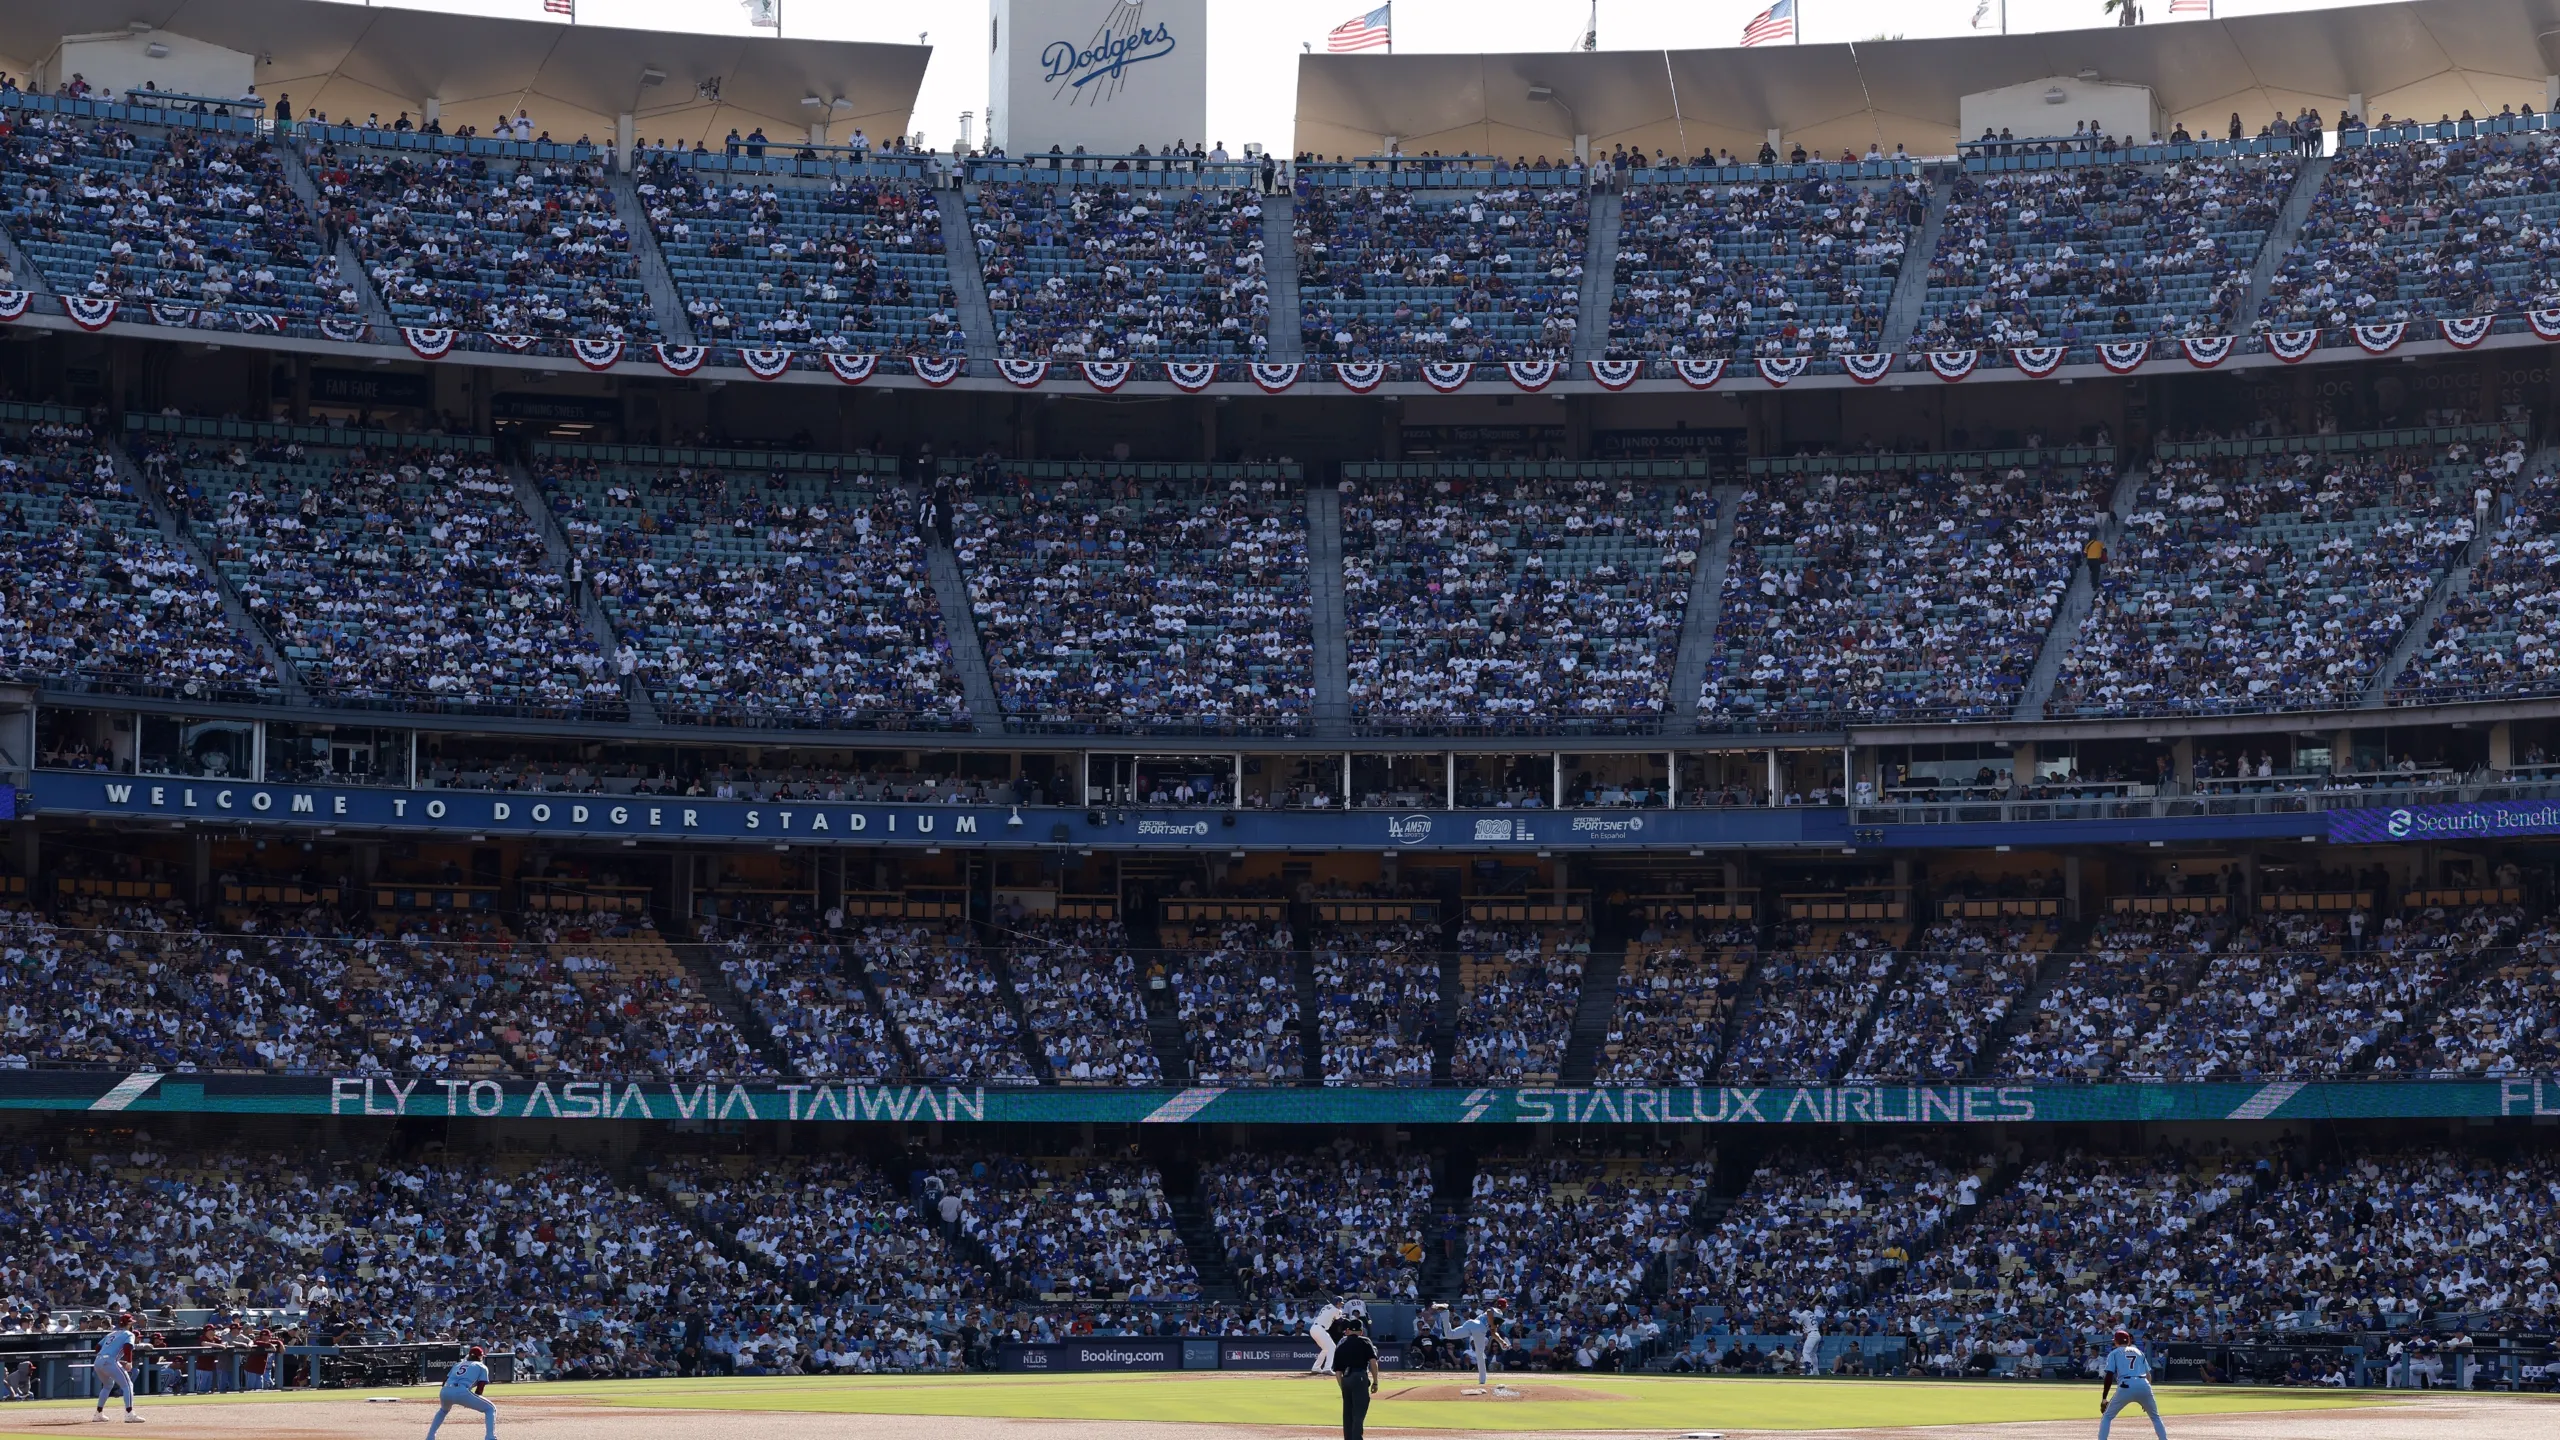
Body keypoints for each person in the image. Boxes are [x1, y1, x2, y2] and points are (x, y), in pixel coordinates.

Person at [2098, 1328, 2166, 1440]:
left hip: (2126, 1385)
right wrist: (2146, 1396)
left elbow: (2109, 1375)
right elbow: (2148, 1375)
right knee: (2155, 1417)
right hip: (2144, 1383)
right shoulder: (2139, 1352)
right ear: (2129, 1341)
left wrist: (2104, 1398)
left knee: (2107, 1417)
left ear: (2115, 1342)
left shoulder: (2114, 1353)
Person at [426, 1347, 496, 1440]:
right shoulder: (481, 1366)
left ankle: (430, 1437)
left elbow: (444, 1381)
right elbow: (480, 1388)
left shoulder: (458, 1364)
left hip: (445, 1390)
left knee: (443, 1410)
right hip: (461, 1391)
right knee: (490, 1408)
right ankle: (490, 1437)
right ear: (480, 1357)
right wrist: (471, 1400)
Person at [1333, 1317, 1379, 1440]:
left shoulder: (1341, 1345)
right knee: (1359, 1411)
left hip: (1346, 1379)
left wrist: (1342, 1386)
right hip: (1359, 1377)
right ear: (1361, 1331)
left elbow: (1338, 1371)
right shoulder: (1365, 1341)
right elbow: (1373, 1362)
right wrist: (1375, 1382)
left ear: (1348, 1330)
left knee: (1347, 1413)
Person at [93, 1313, 142, 1422]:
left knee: (107, 1386)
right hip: (109, 1361)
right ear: (129, 1323)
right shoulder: (129, 1334)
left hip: (98, 1361)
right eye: (131, 1322)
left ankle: (98, 1413)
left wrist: (111, 1359)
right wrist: (129, 1361)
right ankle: (129, 1414)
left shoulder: (112, 1333)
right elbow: (128, 1347)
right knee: (128, 1385)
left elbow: (97, 1347)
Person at [1307, 1298, 1344, 1376]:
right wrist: (1341, 1313)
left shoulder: (1327, 1306)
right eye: (1340, 1303)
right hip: (1320, 1329)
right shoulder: (1336, 1310)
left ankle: (1316, 1368)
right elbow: (1339, 1319)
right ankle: (1327, 1368)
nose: (1341, 1305)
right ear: (1337, 1303)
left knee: (1326, 1349)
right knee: (1332, 1347)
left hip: (1314, 1328)